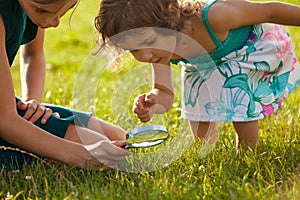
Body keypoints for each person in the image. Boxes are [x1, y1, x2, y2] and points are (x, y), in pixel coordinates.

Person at [94, 0, 300, 149]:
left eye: (148, 43)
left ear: (171, 19)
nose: (145, 55)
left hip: (253, 50)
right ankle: (204, 149)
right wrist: (153, 101)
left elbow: (270, 11)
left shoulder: (215, 17)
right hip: (210, 64)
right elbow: (165, 95)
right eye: (134, 50)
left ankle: (248, 150)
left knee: (236, 86)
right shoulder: (161, 52)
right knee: (195, 84)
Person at [0, 0, 130, 171]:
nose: (54, 22)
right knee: (100, 149)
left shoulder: (30, 7)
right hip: (4, 117)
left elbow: (33, 54)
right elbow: (6, 121)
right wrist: (77, 155)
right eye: (42, 11)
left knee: (116, 136)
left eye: (64, 11)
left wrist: (34, 105)